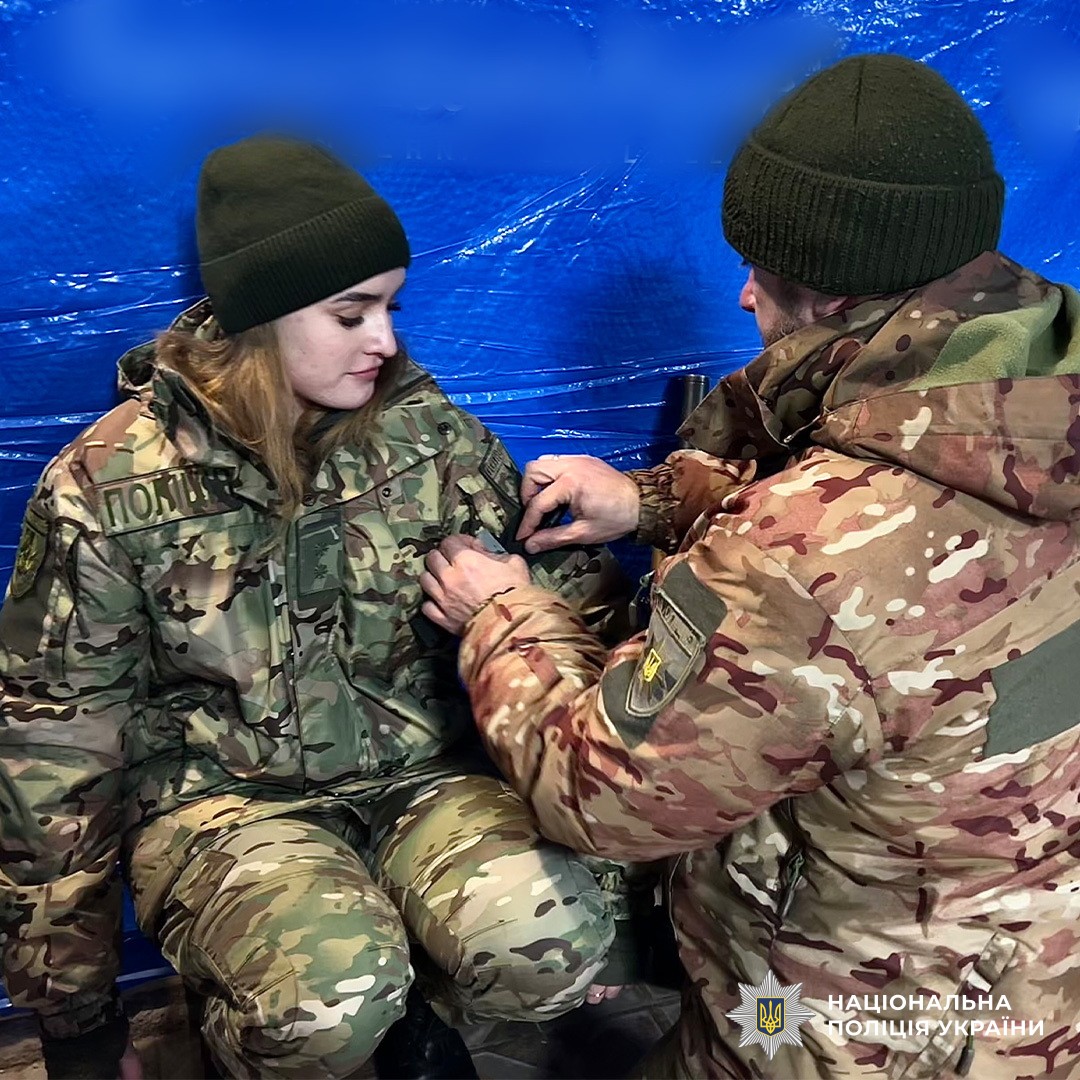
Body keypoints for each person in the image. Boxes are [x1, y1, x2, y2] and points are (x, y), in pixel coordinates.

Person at [420, 53, 1080, 1079]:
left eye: (761, 276)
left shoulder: (802, 564)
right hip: (1033, 982)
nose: (739, 298)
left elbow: (604, 793)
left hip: (847, 1028)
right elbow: (902, 560)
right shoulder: (1032, 396)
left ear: (830, 299)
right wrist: (651, 501)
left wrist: (501, 614)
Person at [0, 135, 642, 1080]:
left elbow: (581, 625)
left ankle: (419, 1007)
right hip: (224, 805)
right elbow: (55, 751)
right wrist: (78, 1021)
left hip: (423, 781)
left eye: (390, 308)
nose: (384, 341)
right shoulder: (109, 485)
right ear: (260, 319)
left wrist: (618, 887)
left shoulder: (431, 438)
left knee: (551, 945)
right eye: (351, 314)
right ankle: (268, 1025)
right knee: (322, 1007)